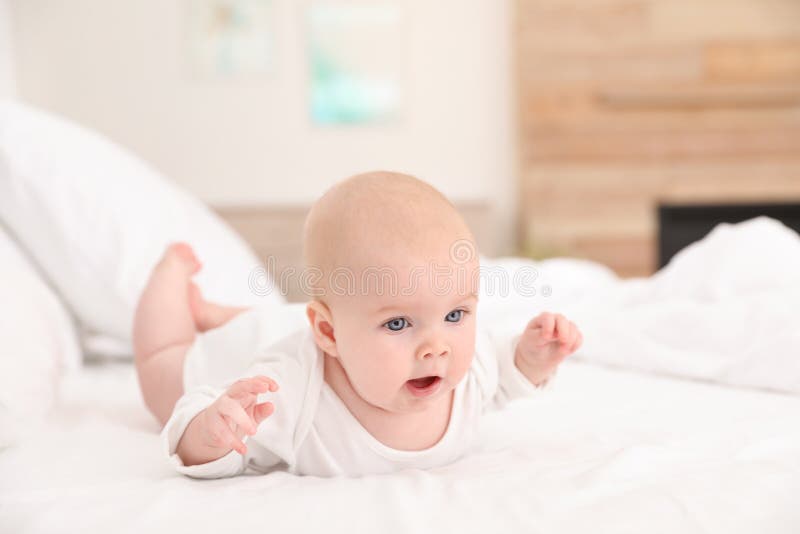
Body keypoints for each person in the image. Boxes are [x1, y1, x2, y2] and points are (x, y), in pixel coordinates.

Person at [133, 171, 583, 477]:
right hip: (251, 345)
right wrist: (211, 432)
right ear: (328, 334)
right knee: (163, 368)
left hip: (295, 324)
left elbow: (504, 375)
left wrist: (530, 358)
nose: (435, 347)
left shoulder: (462, 367)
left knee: (274, 320)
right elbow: (189, 426)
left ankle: (214, 311)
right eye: (398, 324)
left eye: (454, 315)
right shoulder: (285, 392)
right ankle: (172, 276)